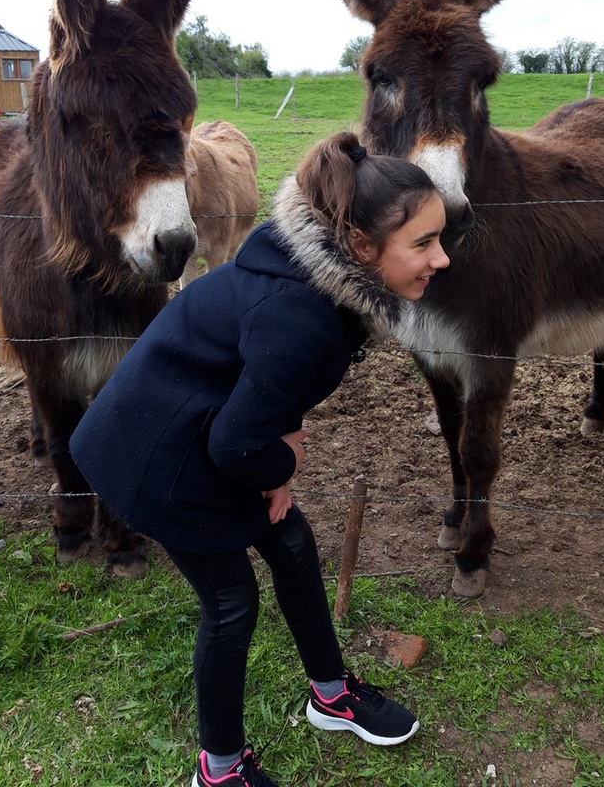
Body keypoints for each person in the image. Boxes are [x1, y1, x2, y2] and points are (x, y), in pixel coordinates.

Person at [70, 130, 450, 787]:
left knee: (292, 543)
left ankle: (330, 695)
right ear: (361, 247)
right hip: (156, 454)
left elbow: (263, 384)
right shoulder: (300, 314)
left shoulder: (319, 279)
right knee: (231, 598)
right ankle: (219, 771)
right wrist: (275, 465)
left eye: (439, 238)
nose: (441, 258)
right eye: (422, 243)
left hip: (206, 426)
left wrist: (282, 443)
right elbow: (238, 442)